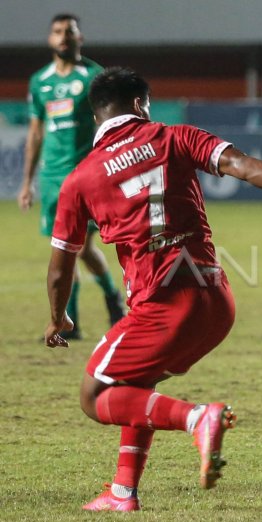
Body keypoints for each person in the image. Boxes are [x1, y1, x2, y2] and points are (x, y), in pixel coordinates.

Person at [45, 67, 262, 512]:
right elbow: (239, 165)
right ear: (139, 105)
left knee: (93, 395)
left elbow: (60, 270)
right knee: (137, 383)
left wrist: (58, 318)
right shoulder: (174, 137)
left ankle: (197, 418)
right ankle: (122, 492)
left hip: (162, 307)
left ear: (98, 118)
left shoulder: (81, 179)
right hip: (216, 301)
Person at [19, 13, 126, 339]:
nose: (64, 36)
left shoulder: (94, 78)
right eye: (58, 32)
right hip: (52, 179)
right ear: (50, 39)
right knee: (63, 248)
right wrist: (27, 181)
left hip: (86, 176)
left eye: (70, 31)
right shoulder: (40, 81)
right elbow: (36, 133)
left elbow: (109, 126)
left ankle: (110, 299)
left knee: (79, 248)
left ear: (80, 38)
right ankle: (75, 321)